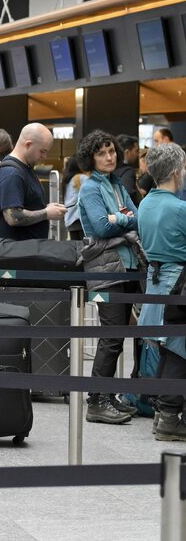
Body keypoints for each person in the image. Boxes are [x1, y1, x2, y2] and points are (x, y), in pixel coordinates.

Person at [77, 129, 141, 425]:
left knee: (118, 337)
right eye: (101, 153)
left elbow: (137, 218)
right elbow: (102, 227)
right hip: (106, 269)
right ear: (91, 158)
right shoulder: (90, 188)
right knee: (111, 336)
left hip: (125, 268)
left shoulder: (116, 184)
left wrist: (121, 218)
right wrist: (122, 219)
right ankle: (96, 401)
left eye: (111, 151)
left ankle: (106, 395)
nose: (109, 157)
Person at [136, 143, 186, 440]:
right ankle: (169, 416)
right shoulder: (179, 208)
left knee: (169, 351)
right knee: (179, 351)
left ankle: (163, 413)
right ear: (177, 171)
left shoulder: (146, 203)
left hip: (156, 283)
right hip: (178, 285)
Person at [0, 123, 65, 241]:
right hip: (15, 253)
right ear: (28, 144)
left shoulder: (24, 168)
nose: (44, 156)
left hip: (25, 251)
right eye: (42, 151)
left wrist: (45, 209)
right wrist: (46, 213)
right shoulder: (11, 173)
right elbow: (13, 217)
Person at [61, 155, 89, 240]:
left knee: (75, 248)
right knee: (85, 248)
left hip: (70, 220)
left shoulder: (66, 181)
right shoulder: (81, 177)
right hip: (80, 219)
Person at [114, 134, 140, 205]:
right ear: (127, 152)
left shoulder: (110, 170)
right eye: (136, 151)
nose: (138, 154)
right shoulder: (128, 172)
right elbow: (128, 195)